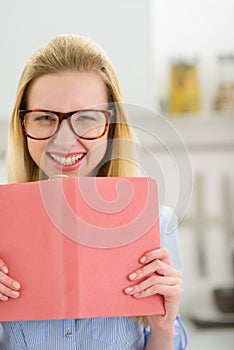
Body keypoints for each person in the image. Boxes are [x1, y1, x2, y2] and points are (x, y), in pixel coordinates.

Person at [0, 34, 187, 349]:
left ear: (110, 126)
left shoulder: (156, 223)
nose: (64, 140)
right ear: (23, 125)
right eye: (45, 118)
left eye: (85, 118)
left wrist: (163, 328)